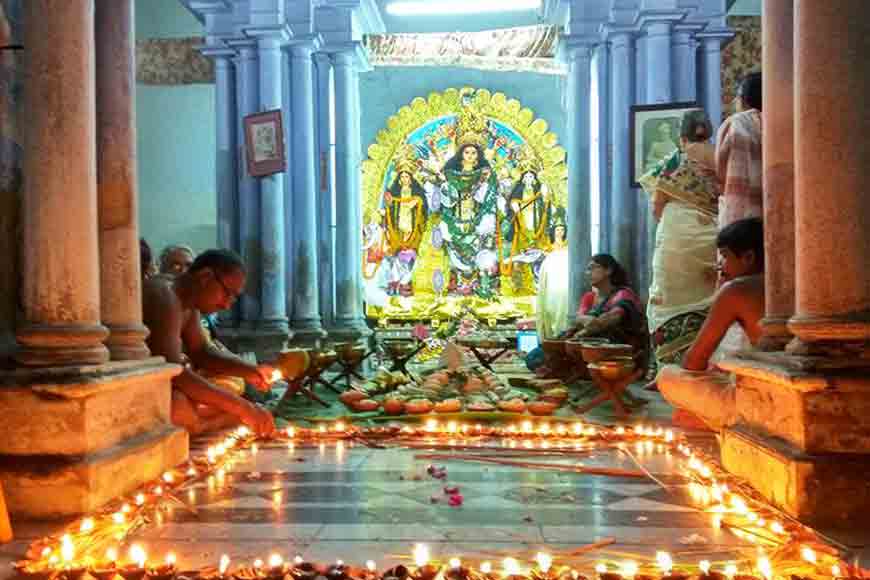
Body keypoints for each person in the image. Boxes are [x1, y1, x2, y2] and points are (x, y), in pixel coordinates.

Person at [142, 249, 277, 436]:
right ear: (205, 276)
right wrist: (244, 408)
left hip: (170, 386)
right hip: (142, 391)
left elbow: (202, 352)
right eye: (227, 294)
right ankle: (204, 425)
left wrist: (251, 371)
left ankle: (208, 420)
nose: (227, 305)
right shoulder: (165, 296)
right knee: (179, 408)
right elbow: (175, 373)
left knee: (224, 389)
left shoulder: (189, 302)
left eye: (233, 298)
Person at [657, 217, 765, 430]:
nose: (719, 265)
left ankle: (713, 420)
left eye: (724, 256)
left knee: (667, 376)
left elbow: (693, 363)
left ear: (748, 257)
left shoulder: (736, 290)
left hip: (759, 408)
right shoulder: (792, 284)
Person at [639, 110, 720, 367]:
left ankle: (670, 366)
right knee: (710, 296)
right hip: (712, 235)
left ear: (681, 136)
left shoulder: (675, 160)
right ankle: (704, 362)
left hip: (676, 238)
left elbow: (657, 205)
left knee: (667, 299)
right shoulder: (720, 156)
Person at [717, 72, 763, 228]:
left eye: (737, 96)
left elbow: (721, 168)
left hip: (742, 209)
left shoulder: (738, 123)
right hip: (777, 206)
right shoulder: (782, 119)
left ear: (744, 98)